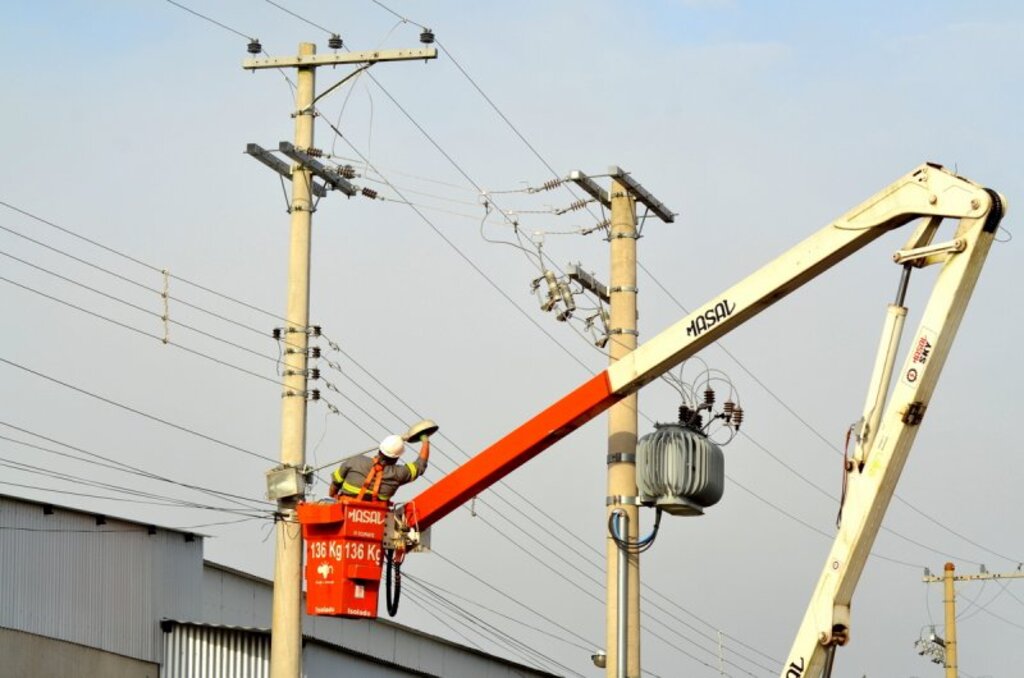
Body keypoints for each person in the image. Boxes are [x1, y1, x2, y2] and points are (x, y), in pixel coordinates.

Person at [329, 432, 430, 503]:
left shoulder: (355, 461)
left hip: (345, 513)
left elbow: (335, 484)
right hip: (377, 521)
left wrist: (332, 499)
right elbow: (420, 465)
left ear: (380, 449)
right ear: (397, 457)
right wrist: (425, 440)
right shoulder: (399, 474)